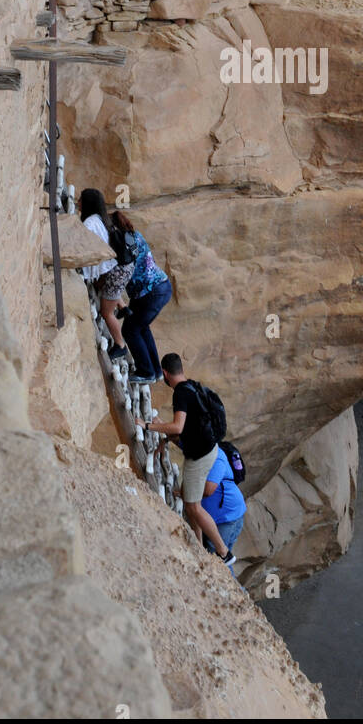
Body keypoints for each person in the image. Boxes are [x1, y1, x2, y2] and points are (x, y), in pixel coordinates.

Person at [139, 353, 236, 565]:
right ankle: (200, 544)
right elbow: (186, 428)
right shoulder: (192, 385)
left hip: (199, 458)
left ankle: (223, 552)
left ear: (165, 373)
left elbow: (177, 427)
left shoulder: (180, 394)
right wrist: (168, 436)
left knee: (193, 507)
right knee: (194, 504)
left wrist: (148, 426)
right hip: (209, 449)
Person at [113, 211, 172, 384]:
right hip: (159, 286)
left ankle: (146, 372)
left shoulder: (121, 242)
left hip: (150, 292)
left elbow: (121, 267)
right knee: (141, 327)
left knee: (130, 330)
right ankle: (155, 370)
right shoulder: (133, 235)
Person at [78, 188, 132, 359]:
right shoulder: (102, 218)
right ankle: (123, 307)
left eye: (80, 199)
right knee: (105, 287)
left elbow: (84, 245)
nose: (77, 202)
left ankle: (120, 344)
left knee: (106, 313)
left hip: (116, 271)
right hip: (122, 267)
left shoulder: (89, 223)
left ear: (87, 203)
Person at [201, 446, 246, 571]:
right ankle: (237, 589)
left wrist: (185, 493)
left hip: (225, 517)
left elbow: (208, 490)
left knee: (218, 561)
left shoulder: (217, 457)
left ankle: (235, 590)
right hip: (235, 512)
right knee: (225, 560)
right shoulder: (211, 450)